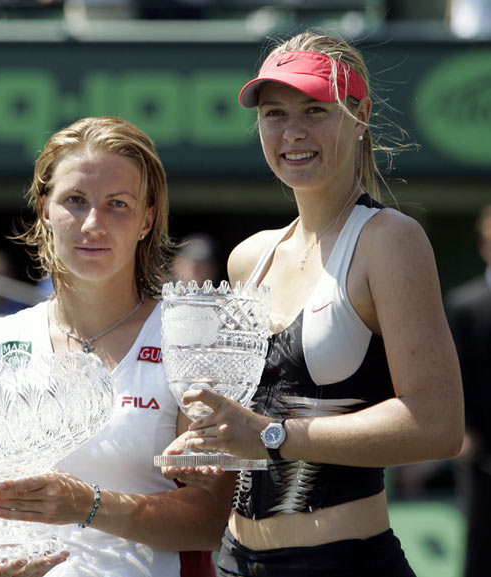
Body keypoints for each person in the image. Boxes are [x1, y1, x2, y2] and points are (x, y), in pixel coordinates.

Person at [164, 31, 464, 576]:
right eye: (274, 113)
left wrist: (271, 436)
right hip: (235, 561)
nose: (293, 132)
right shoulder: (247, 259)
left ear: (360, 114)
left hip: (343, 563)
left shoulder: (389, 240)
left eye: (315, 110)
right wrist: (209, 449)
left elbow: (438, 424)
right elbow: (243, 432)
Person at [0, 116, 234, 577]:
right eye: (75, 200)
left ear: (147, 219)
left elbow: (210, 520)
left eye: (117, 204)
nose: (93, 224)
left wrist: (88, 504)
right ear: (44, 208)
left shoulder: (193, 341)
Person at [446, 204, 491, 577]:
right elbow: (453, 371)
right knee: (479, 547)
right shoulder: (464, 304)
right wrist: (462, 432)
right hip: (481, 455)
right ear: (483, 247)